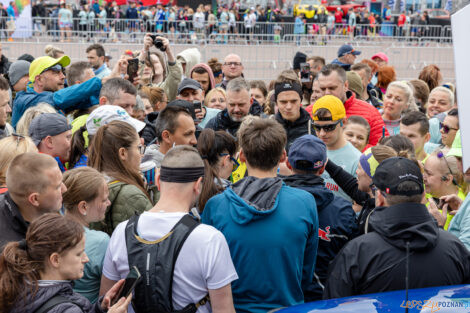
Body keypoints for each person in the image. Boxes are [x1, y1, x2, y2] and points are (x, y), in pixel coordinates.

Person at [101, 145, 238, 313]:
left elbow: (106, 300)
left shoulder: (121, 232)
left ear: (158, 179)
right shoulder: (210, 239)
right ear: (198, 184)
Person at [202, 118, 318, 312]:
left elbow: (206, 271)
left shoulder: (216, 206)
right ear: (283, 156)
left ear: (241, 156)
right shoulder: (304, 203)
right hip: (288, 307)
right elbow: (306, 271)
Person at [324, 157, 470, 299]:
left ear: (379, 197)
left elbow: (334, 304)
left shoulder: (357, 252)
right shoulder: (454, 248)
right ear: (424, 195)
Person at [0, 213, 132, 313]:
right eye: (79, 254)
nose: (86, 259)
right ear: (55, 260)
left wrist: (100, 308)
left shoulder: (17, 285)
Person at [282, 134, 357, 301]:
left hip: (282, 298)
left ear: (288, 163)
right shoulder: (343, 210)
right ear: (323, 168)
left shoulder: (273, 201)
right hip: (326, 300)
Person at [88, 121, 152, 235]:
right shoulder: (131, 195)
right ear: (123, 153)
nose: (141, 155)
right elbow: (153, 239)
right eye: (138, 148)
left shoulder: (92, 184)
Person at [11, 55, 103, 128]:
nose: (63, 76)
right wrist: (98, 82)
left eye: (62, 71)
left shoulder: (55, 99)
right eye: (56, 72)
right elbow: (57, 99)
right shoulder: (24, 100)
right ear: (39, 80)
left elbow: (88, 100)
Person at [62, 167, 111, 304]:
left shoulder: (47, 228)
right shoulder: (100, 242)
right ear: (83, 207)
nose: (109, 203)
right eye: (104, 200)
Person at [0, 153, 66, 250]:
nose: (65, 189)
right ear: (34, 199)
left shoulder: (48, 211)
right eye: (58, 187)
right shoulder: (9, 250)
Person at [317, 64, 388, 148]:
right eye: (322, 89)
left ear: (346, 86)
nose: (327, 93)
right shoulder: (310, 112)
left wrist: (356, 150)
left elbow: (383, 149)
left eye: (332, 88)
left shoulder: (370, 112)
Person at [312, 95, 361, 201]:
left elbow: (359, 205)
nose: (322, 133)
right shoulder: (311, 151)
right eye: (317, 127)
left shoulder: (357, 159)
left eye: (329, 127)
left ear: (344, 122)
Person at [197, 128, 238, 210]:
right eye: (234, 164)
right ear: (226, 160)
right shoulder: (232, 195)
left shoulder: (192, 186)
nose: (233, 168)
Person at [423, 151, 464, 230]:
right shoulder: (432, 195)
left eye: (428, 174)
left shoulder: (458, 209)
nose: (423, 177)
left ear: (447, 179)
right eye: (424, 171)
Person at [274, 80, 314, 152]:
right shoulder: (268, 128)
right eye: (283, 102)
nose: (289, 107)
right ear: (276, 103)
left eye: (294, 101)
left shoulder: (313, 126)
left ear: (300, 101)